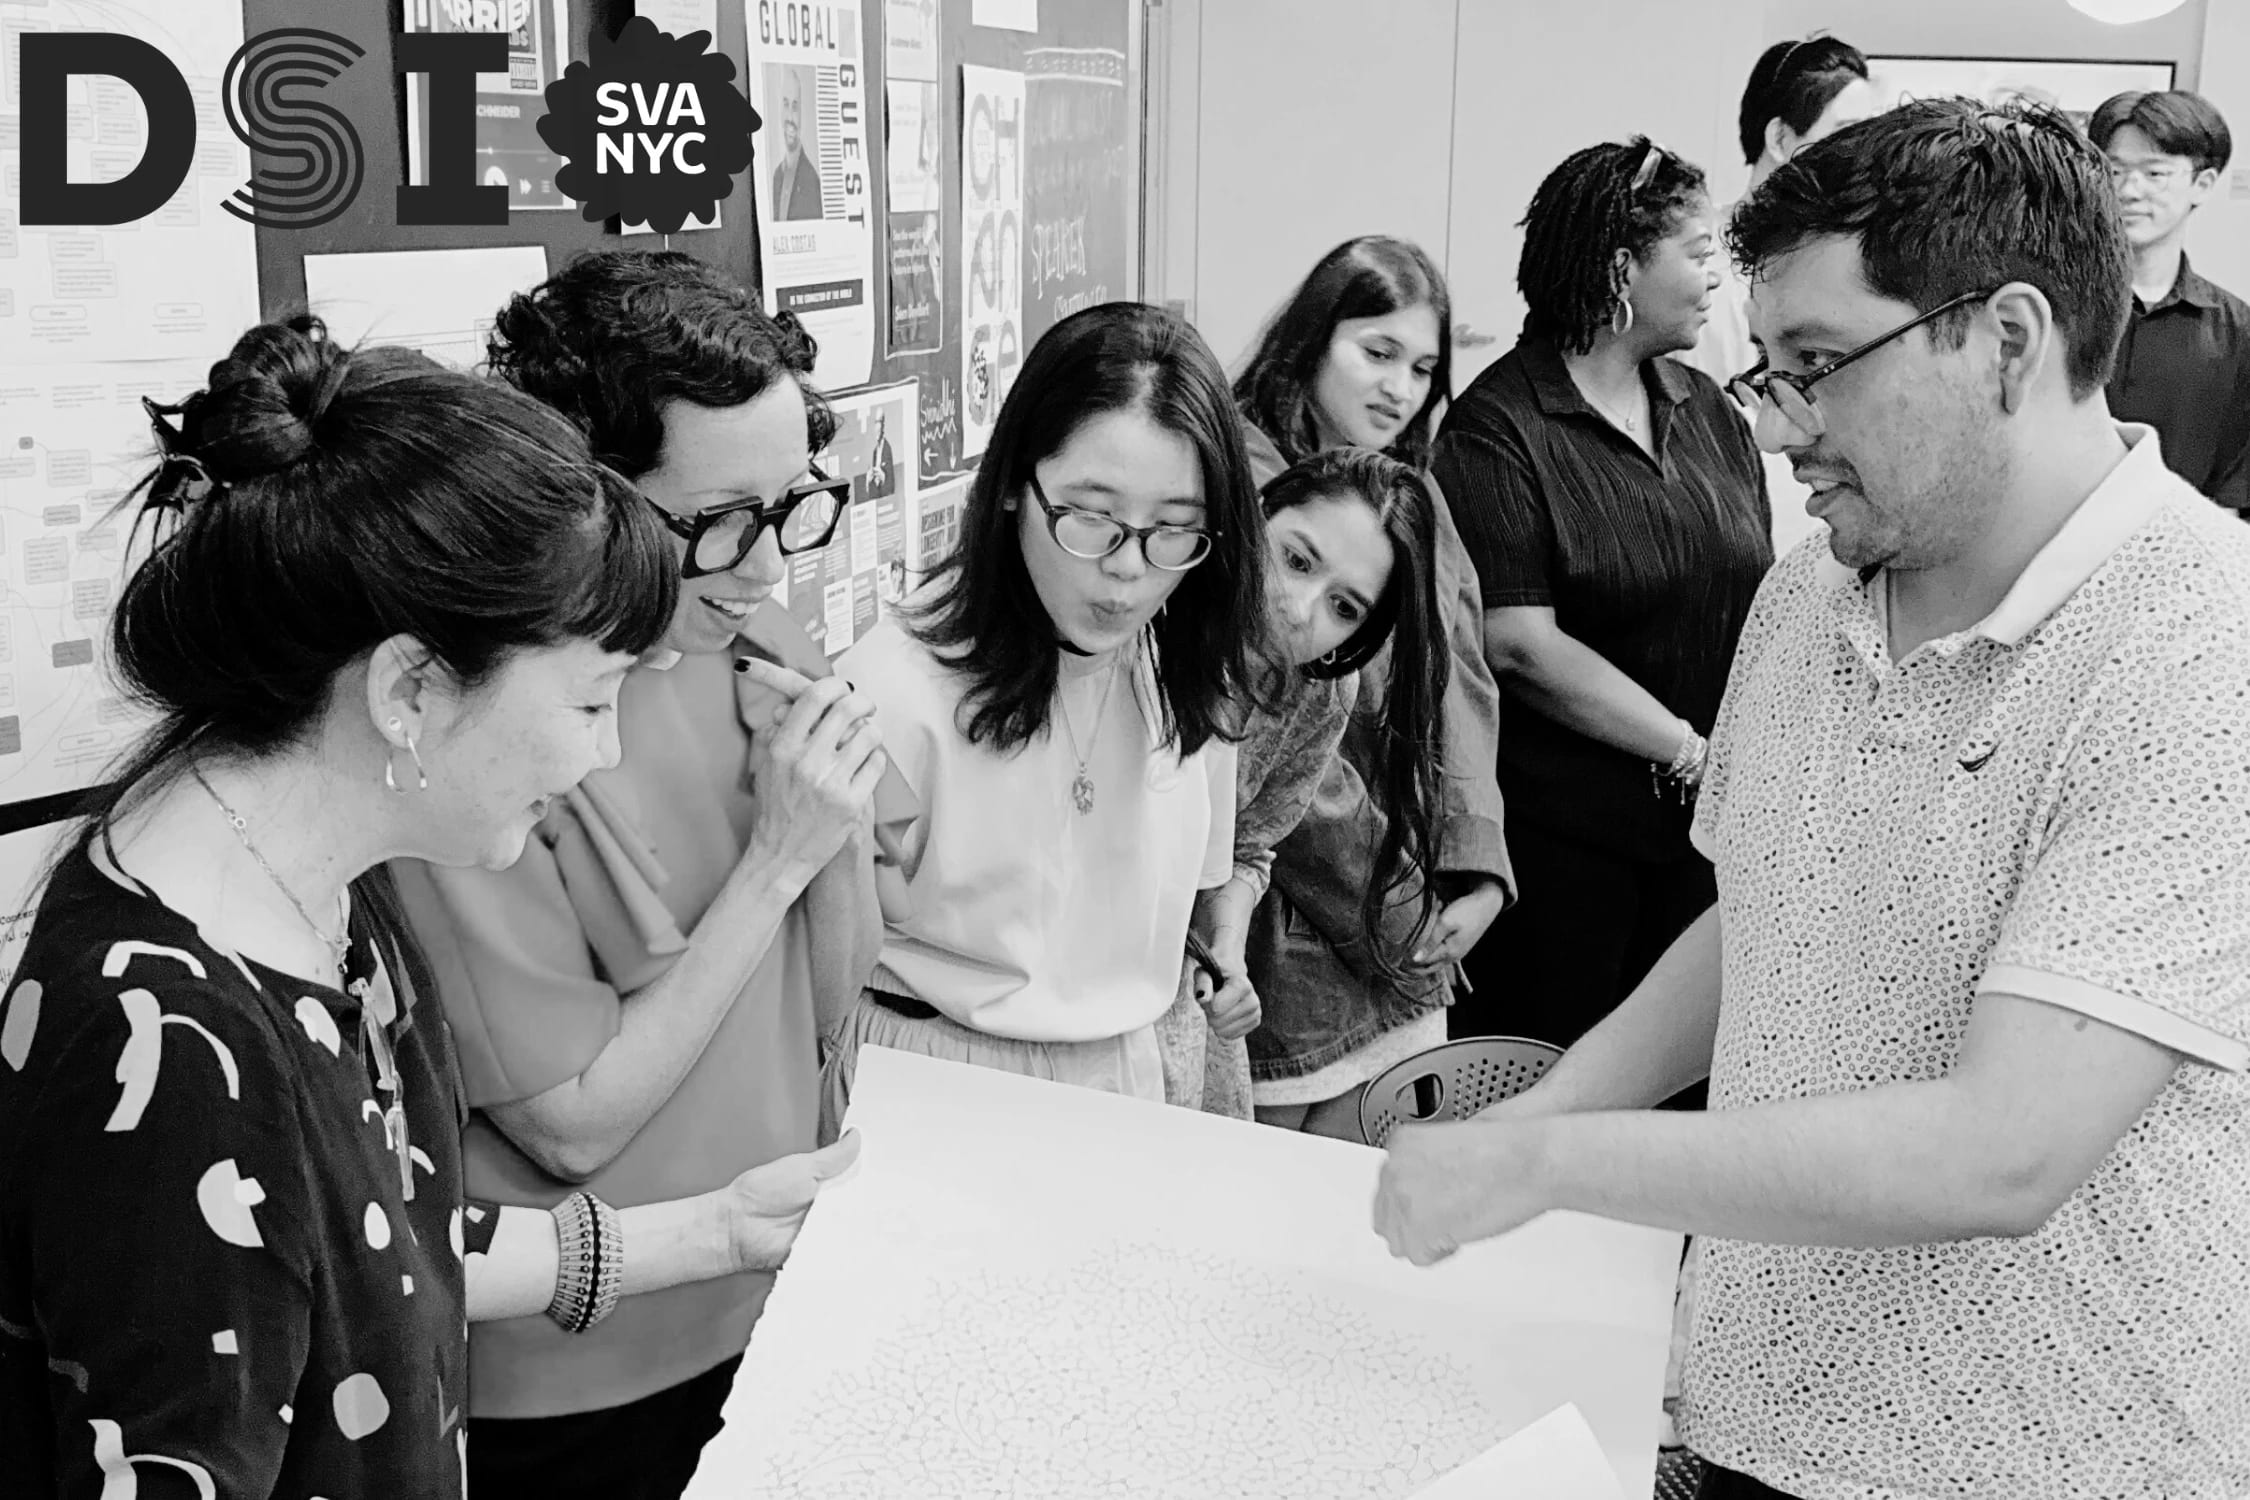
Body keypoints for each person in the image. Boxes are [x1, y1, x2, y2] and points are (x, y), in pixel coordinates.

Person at [1375, 100, 2250, 1500]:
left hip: (2040, 1457)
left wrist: (1554, 1164)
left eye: (1817, 369)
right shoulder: (1808, 596)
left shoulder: (2197, 642)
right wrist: (1534, 1116)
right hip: (1756, 1423)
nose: (1778, 430)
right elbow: (1762, 909)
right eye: (1763, 376)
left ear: (2004, 340)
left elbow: (2003, 1148)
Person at [0, 319, 859, 1498]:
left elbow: (380, 1239)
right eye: (591, 701)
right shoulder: (170, 1045)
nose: (600, 753)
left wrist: (714, 1234)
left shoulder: (321, 883)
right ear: (411, 687)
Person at [391, 251, 886, 1500]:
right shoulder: (479, 734)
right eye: (719, 524)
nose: (769, 569)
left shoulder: (743, 623)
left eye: (792, 508)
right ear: (584, 495)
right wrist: (777, 859)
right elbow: (571, 1122)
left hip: (771, 1287)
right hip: (576, 1356)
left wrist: (823, 835)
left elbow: (835, 1011)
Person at [828, 302, 1267, 1106]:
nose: (1128, 570)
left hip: (1123, 1074)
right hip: (931, 1069)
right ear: (1011, 489)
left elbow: (1193, 906)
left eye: (1174, 531)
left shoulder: (1189, 673)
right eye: (1091, 519)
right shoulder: (895, 689)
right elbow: (822, 961)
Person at [1438, 139, 1770, 1055]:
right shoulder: (1497, 429)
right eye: (1699, 253)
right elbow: (1518, 644)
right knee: (1560, 1084)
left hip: (1704, 838)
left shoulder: (1704, 406)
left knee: (1686, 1097)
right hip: (1565, 848)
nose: (1717, 281)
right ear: (1622, 267)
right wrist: (1687, 749)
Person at [1230, 236, 1511, 1138]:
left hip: (1405, 898)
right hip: (1293, 924)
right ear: (1313, 336)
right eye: (1377, 352)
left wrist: (1479, 870)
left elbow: (1460, 682)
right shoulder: (1249, 484)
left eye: (1424, 367)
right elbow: (1287, 751)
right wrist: (1400, 913)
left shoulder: (1411, 497)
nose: (1400, 388)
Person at [1169, 449, 1451, 1125]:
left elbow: (1247, 850)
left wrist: (1227, 952)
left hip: (1174, 982)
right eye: (1296, 560)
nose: (1300, 609)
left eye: (1344, 606)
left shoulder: (1320, 692)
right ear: (1259, 513)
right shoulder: (1155, 612)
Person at [1683, 35, 1875, 557]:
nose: (1864, 155)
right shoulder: (1695, 266)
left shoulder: (1860, 270)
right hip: (1717, 529)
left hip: (1830, 532)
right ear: (1780, 137)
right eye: (1843, 134)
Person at [2088, 90, 2250, 515]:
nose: (2128, 190)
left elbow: (2233, 485)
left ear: (2203, 183)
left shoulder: (2236, 329)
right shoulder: (2057, 308)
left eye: (2154, 173)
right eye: (2114, 170)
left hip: (2177, 554)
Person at [772, 69, 823, 221]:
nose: (790, 117)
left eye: (795, 107)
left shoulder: (811, 181)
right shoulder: (777, 176)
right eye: (785, 104)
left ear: (802, 113)